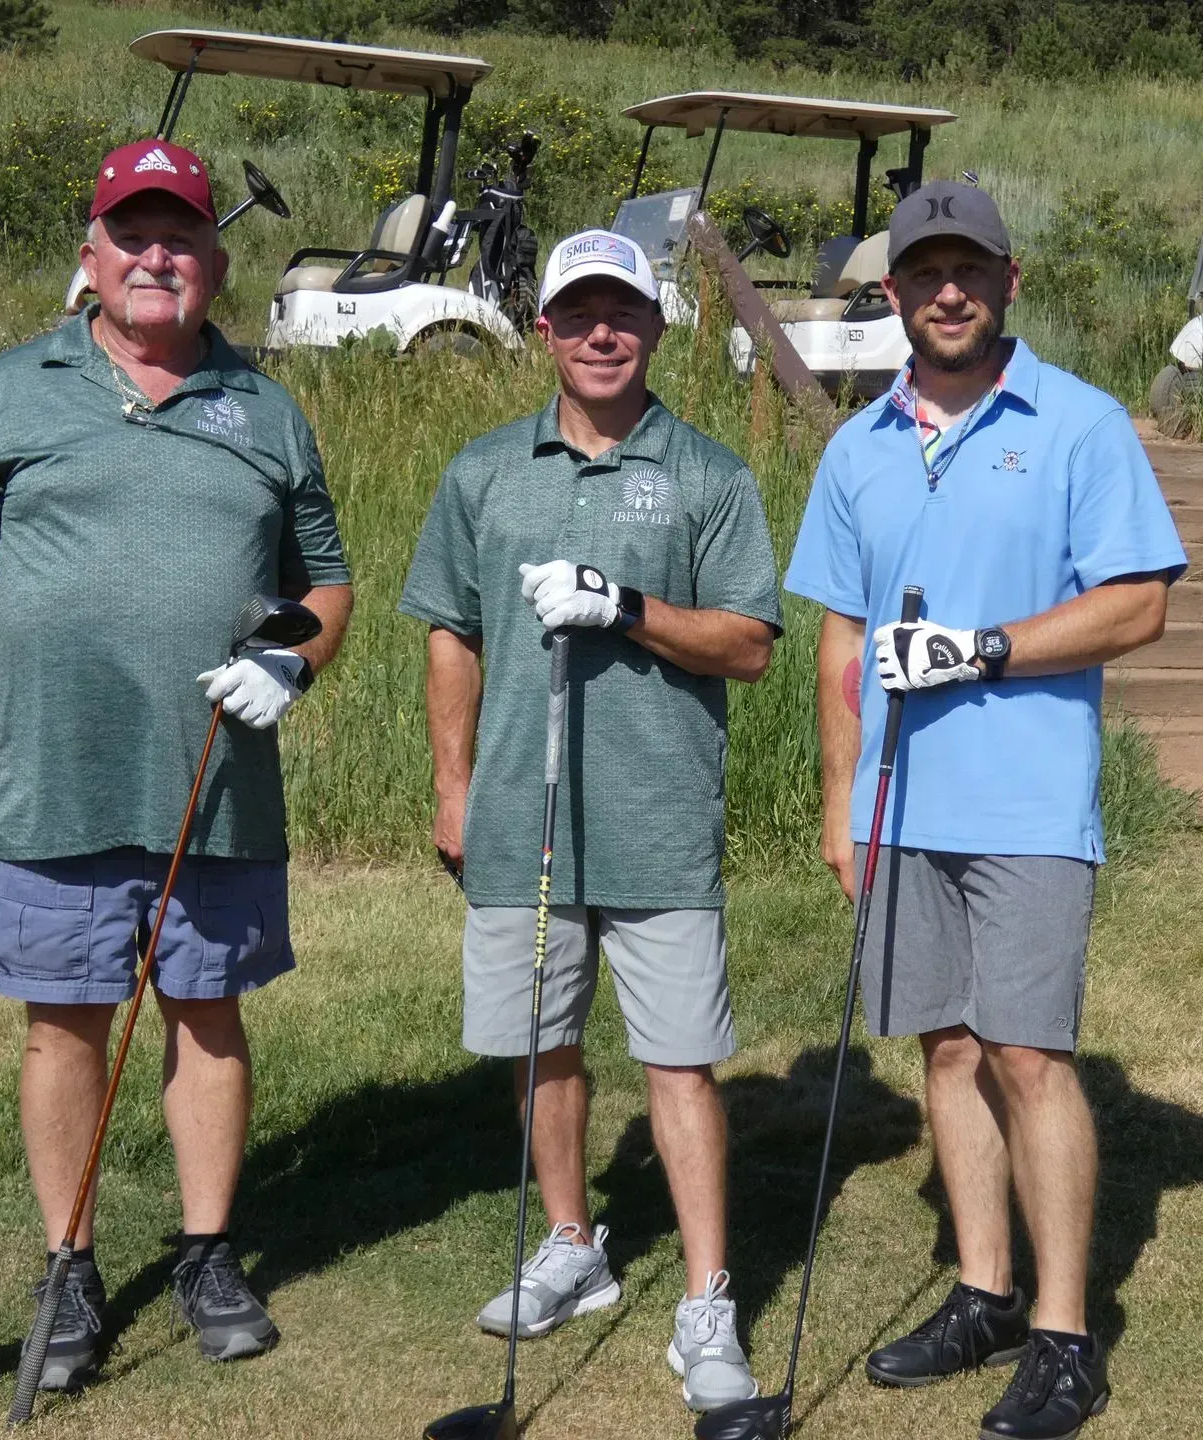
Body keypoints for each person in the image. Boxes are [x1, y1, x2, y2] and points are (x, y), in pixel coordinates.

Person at [0, 139, 353, 1392]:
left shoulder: (265, 408)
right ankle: (70, 1264)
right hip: (59, 776)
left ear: (215, 261)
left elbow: (326, 578)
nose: (159, 256)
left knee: (208, 1013)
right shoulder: (14, 389)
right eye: (133, 235)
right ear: (91, 256)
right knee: (64, 1025)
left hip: (218, 779)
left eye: (184, 236)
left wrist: (293, 663)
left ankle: (206, 1255)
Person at [783, 181, 1186, 1440]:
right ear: (892, 291)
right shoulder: (856, 447)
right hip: (903, 803)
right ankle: (984, 1291)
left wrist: (984, 652)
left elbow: (1138, 604)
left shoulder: (1076, 423)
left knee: (1025, 1053)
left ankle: (1065, 1336)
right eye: (923, 271)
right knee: (944, 1050)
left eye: (969, 269)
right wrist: (840, 793)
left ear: (1009, 281)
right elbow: (841, 633)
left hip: (1025, 801)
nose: (946, 290)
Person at [399, 229, 781, 1413]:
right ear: (548, 332)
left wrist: (624, 607)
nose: (603, 332)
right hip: (521, 817)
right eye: (579, 314)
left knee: (680, 1062)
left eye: (624, 312)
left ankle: (707, 1300)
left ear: (657, 327)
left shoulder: (710, 474)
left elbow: (751, 643)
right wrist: (454, 787)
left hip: (660, 814)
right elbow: (449, 631)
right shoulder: (482, 472)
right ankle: (575, 1244)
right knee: (541, 1045)